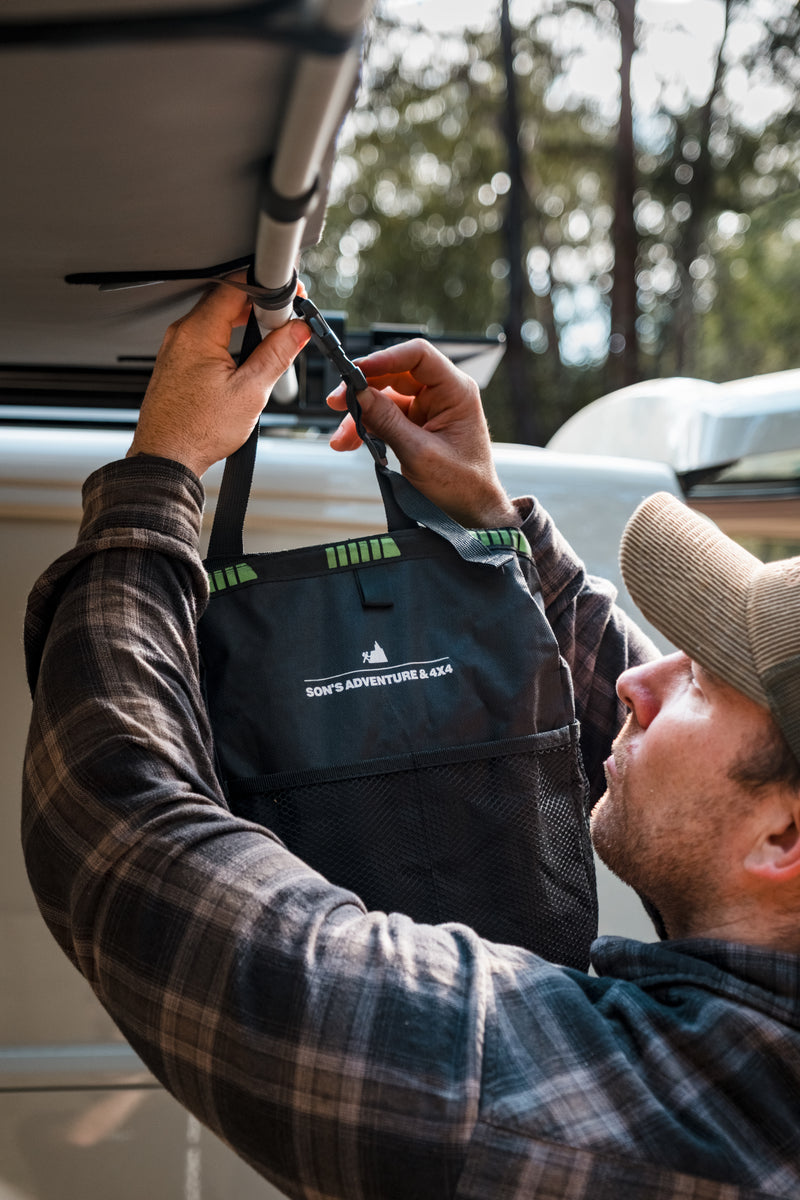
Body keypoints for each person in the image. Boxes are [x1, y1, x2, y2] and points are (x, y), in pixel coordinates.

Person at [22, 281, 800, 1200]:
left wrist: (160, 475)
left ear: (783, 842)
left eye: (701, 682)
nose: (638, 680)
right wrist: (492, 521)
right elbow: (680, 767)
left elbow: (127, 840)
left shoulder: (558, 1114)